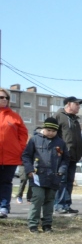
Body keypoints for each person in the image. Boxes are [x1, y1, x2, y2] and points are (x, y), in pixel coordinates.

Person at [21, 116, 68, 233]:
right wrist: (29, 170)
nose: (51, 133)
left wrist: (61, 171)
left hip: (53, 177)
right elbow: (26, 156)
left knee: (49, 200)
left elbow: (65, 159)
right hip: (37, 176)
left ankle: (47, 224)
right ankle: (33, 224)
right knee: (38, 198)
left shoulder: (60, 143)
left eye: (53, 131)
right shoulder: (34, 140)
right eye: (48, 130)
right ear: (43, 128)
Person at [0, 87, 28, 218]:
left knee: (6, 182)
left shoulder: (15, 116)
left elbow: (23, 134)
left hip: (10, 157)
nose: (4, 99)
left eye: (6, 98)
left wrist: (20, 148)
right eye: (1, 97)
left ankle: (4, 207)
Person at [55, 96, 82, 214]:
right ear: (68, 104)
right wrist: (58, 151)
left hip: (73, 155)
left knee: (69, 181)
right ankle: (59, 205)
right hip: (62, 156)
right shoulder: (59, 115)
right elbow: (51, 133)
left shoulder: (75, 120)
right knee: (61, 181)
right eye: (76, 104)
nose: (78, 106)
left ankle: (66, 204)